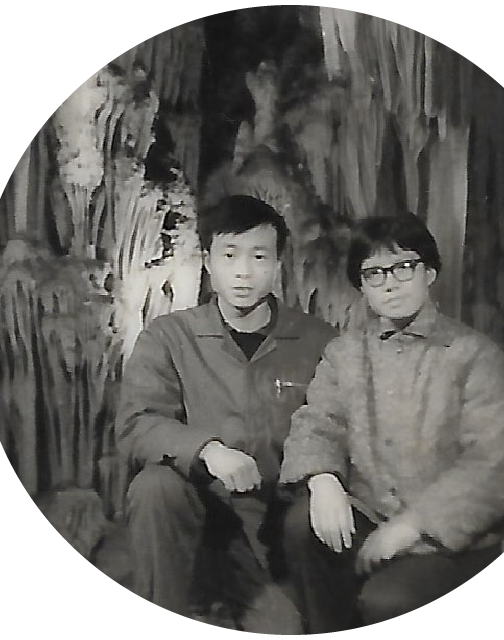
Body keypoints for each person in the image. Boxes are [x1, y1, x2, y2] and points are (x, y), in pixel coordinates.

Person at [279, 213, 504, 632]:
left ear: (430, 273)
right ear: (362, 286)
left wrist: (415, 523)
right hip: (370, 517)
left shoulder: (475, 355)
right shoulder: (345, 353)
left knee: (387, 602)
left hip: (446, 539)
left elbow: (494, 463)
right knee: (302, 526)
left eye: (403, 267)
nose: (389, 284)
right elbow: (318, 422)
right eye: (374, 274)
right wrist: (323, 479)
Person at [116, 195, 336, 632]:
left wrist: (325, 478)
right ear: (208, 262)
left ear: (278, 265)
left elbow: (339, 424)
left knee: (283, 627)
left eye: (259, 256)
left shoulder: (316, 341)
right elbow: (138, 424)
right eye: (229, 255)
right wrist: (207, 450)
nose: (243, 272)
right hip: (199, 520)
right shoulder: (170, 337)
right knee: (155, 486)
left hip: (276, 527)